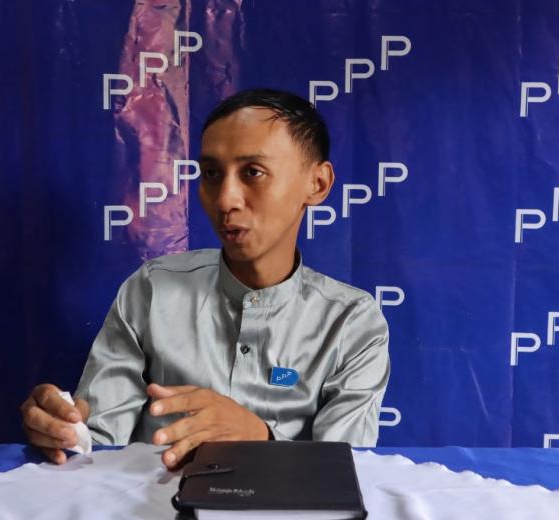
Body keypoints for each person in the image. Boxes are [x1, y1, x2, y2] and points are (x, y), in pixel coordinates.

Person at [20, 89, 390, 469]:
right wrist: (63, 431)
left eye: (253, 173)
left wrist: (261, 439)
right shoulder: (152, 290)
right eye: (211, 174)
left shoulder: (352, 322)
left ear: (318, 184)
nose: (226, 199)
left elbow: (344, 471)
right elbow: (96, 444)